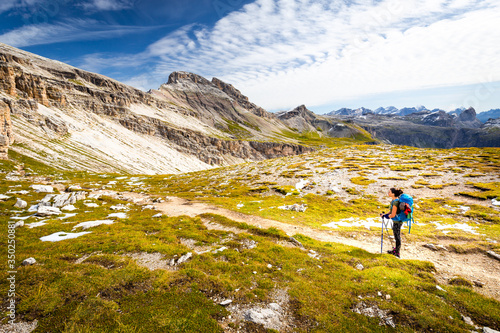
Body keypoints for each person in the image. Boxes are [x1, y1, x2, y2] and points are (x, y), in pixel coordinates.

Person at [380, 188, 404, 258]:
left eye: (389, 192)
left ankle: (397, 253)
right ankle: (396, 250)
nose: (388, 193)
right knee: (396, 235)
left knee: (397, 236)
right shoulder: (393, 200)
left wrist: (387, 216)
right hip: (396, 221)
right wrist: (385, 215)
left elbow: (393, 215)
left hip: (398, 221)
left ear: (393, 194)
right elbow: (391, 211)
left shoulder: (396, 202)